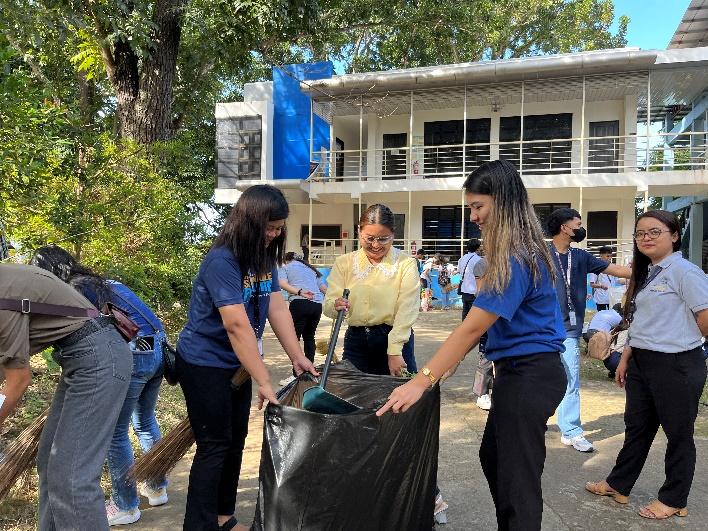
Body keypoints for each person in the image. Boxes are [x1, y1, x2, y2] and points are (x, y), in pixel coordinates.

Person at [377, 160, 567, 531]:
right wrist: (436, 374)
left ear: (504, 201)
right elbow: (475, 333)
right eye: (470, 208)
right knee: (494, 457)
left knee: (517, 481)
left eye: (479, 206)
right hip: (517, 373)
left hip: (531, 373)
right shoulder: (517, 251)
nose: (474, 217)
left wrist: (422, 380)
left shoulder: (516, 256)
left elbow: (469, 330)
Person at [176, 184, 317, 531]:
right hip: (203, 364)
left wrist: (297, 355)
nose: (274, 234)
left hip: (236, 365)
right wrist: (264, 380)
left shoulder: (263, 257)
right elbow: (237, 326)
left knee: (236, 440)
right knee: (214, 446)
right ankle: (199, 525)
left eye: (278, 228)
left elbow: (275, 305)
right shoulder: (221, 261)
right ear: (248, 222)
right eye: (268, 227)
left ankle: (223, 518)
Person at [30, 245, 169, 526]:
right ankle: (156, 487)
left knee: (115, 433)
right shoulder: (106, 283)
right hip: (158, 354)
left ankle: (126, 504)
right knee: (144, 423)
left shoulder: (73, 289)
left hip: (130, 356)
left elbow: (85, 337)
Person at [586, 210, 708, 521]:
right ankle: (619, 484)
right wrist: (627, 357)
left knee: (678, 434)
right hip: (642, 361)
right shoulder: (648, 272)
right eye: (641, 233)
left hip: (677, 364)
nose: (646, 238)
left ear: (675, 235)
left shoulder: (685, 272)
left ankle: (674, 498)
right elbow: (641, 322)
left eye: (655, 232)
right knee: (637, 428)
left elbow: (705, 318)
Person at [0, 263, 131, 531]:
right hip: (83, 358)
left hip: (97, 358)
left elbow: (18, 381)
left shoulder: (2, 297)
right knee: (51, 463)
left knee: (72, 477)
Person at [547, 207, 630, 453]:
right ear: (564, 227)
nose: (581, 228)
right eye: (578, 223)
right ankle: (535, 419)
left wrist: (651, 269)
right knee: (538, 379)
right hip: (540, 330)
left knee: (571, 380)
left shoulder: (581, 257)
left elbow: (615, 270)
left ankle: (571, 430)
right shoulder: (539, 255)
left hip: (570, 330)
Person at [324, 204, 419, 376]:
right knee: (352, 397)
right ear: (359, 232)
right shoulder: (344, 263)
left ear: (393, 235)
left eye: (383, 239)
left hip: (394, 338)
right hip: (356, 341)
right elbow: (329, 305)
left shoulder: (406, 264)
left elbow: (407, 309)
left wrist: (395, 350)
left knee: (399, 397)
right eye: (369, 238)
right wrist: (336, 305)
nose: (375, 245)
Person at [278, 251, 327, 385]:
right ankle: (309, 372)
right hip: (317, 305)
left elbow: (281, 283)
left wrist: (299, 291)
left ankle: (296, 375)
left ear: (287, 259)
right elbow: (323, 288)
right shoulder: (311, 269)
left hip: (300, 303)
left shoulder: (286, 267)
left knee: (294, 339)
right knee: (309, 337)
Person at [584, 303, 624, 378]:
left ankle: (591, 347)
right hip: (599, 336)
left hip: (587, 334)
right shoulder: (618, 317)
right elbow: (620, 328)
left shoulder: (602, 311)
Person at [457, 239, 482, 317]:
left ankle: (464, 328)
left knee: (465, 313)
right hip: (474, 291)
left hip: (464, 290)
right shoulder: (479, 260)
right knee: (474, 315)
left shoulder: (462, 259)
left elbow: (459, 271)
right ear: (478, 248)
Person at [588, 246, 615, 311]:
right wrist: (601, 286)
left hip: (611, 297)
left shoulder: (612, 266)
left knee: (612, 316)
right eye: (607, 256)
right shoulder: (595, 267)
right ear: (601, 255)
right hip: (601, 298)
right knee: (602, 316)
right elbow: (592, 284)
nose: (609, 258)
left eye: (610, 256)